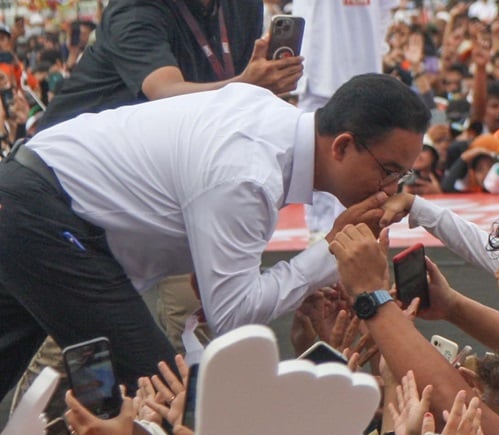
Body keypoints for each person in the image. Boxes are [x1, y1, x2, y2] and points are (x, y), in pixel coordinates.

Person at [0, 74, 430, 395]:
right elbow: (232, 315)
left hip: (33, 200)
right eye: (389, 170)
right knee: (171, 399)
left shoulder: (267, 125)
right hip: (47, 215)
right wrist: (334, 250)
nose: (390, 189)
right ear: (341, 146)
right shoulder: (250, 174)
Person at [36, 0, 303, 129]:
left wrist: (263, 81)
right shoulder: (136, 9)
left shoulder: (242, 6)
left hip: (154, 165)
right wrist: (247, 84)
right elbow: (165, 93)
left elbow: (236, 91)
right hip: (57, 181)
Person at [293, 0, 399, 235]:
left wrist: (376, 51)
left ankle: (354, 233)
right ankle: (319, 233)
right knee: (313, 157)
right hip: (319, 66)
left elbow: (384, 13)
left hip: (362, 67)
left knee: (360, 161)